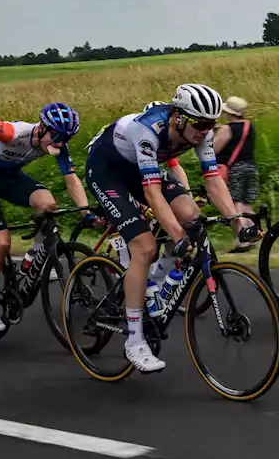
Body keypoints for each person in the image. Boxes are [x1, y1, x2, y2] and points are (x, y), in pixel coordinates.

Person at [84, 83, 245, 373]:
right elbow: (152, 194)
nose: (205, 130)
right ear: (179, 117)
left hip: (138, 170)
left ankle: (153, 281)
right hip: (107, 171)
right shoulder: (148, 129)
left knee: (192, 215)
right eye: (199, 123)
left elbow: (213, 180)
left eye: (211, 124)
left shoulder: (202, 131)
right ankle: (134, 341)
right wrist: (178, 237)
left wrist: (237, 221)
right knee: (145, 247)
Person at [0, 100, 88, 333]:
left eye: (66, 139)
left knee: (48, 203)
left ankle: (35, 253)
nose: (60, 143)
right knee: (1, 243)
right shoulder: (10, 132)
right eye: (57, 136)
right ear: (42, 127)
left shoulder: (57, 145)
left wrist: (85, 212)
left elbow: (71, 179)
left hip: (10, 177)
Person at [212, 95, 259, 252]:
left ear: (229, 112)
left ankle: (243, 240)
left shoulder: (227, 129)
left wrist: (213, 135)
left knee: (236, 204)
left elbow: (213, 150)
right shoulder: (249, 126)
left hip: (236, 169)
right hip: (251, 167)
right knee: (246, 204)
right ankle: (255, 233)